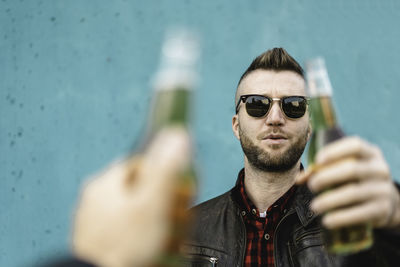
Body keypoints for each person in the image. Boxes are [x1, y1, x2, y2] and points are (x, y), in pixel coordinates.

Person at [183, 48, 400, 267]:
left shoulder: (352, 224)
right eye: (257, 104)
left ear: (310, 128)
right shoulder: (187, 231)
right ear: (236, 126)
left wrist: (394, 220)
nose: (275, 118)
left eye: (293, 105)